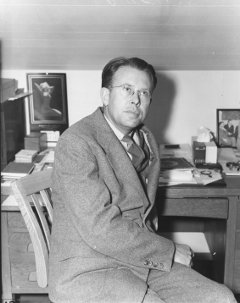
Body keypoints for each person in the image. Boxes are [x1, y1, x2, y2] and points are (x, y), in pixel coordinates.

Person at [48, 57, 237, 303]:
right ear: (105, 96)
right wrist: (167, 252)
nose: (135, 99)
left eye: (144, 92)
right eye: (127, 89)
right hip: (90, 268)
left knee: (222, 298)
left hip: (138, 261)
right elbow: (99, 229)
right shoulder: (76, 143)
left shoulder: (145, 138)